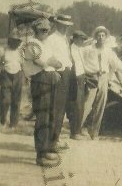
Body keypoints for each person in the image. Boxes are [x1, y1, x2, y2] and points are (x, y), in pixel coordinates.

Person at [81, 25, 122, 139]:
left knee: (100, 105)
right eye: (99, 35)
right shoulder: (88, 49)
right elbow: (78, 58)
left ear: (106, 38)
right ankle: (77, 129)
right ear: (95, 37)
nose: (101, 37)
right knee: (87, 103)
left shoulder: (109, 51)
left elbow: (119, 65)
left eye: (103, 35)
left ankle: (94, 132)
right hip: (91, 77)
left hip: (104, 78)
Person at [26, 17, 63, 166]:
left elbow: (57, 61)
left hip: (51, 79)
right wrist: (52, 63)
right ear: (36, 30)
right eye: (42, 30)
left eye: (47, 30)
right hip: (41, 80)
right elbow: (39, 62)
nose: (45, 32)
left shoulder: (45, 44)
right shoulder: (31, 43)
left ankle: (48, 147)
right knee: (42, 116)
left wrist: (53, 63)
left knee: (51, 115)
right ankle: (40, 153)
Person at [44, 14, 75, 152]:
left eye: (67, 26)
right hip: (57, 75)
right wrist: (54, 73)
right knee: (55, 108)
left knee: (61, 108)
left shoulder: (64, 39)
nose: (65, 28)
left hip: (66, 74)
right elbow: (48, 59)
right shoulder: (51, 39)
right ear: (57, 24)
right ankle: (51, 141)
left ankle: (56, 138)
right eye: (63, 25)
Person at [0, 27, 24, 128]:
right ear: (10, 40)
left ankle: (13, 123)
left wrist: (26, 77)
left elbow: (24, 65)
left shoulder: (20, 51)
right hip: (6, 76)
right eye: (14, 40)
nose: (16, 43)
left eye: (18, 41)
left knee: (16, 101)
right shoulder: (3, 50)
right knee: (5, 100)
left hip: (18, 76)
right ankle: (3, 121)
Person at [65, 30, 89, 140]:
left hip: (81, 77)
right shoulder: (70, 50)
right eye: (80, 39)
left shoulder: (80, 49)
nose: (82, 41)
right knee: (75, 105)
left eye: (83, 39)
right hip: (73, 79)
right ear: (74, 39)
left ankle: (78, 130)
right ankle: (74, 132)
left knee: (81, 105)